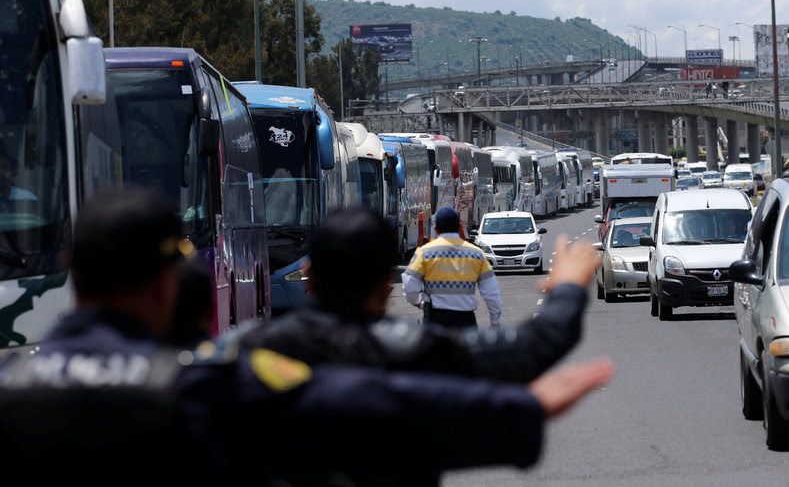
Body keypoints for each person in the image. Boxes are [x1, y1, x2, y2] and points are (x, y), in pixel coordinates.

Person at [0, 188, 615, 482]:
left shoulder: (13, 381)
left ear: (75, 282)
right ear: (165, 287)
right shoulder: (210, 382)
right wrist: (519, 412)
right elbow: (366, 404)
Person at [239, 204, 600, 384]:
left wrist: (421, 301)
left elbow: (411, 285)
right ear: (383, 288)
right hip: (462, 321)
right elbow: (529, 339)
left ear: (308, 276)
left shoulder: (243, 356)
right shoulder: (408, 360)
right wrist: (566, 287)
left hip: (435, 316)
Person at [402, 207, 502, 329]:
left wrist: (419, 302)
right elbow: (491, 292)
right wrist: (495, 321)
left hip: (435, 320)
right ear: (459, 226)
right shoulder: (477, 254)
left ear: (435, 229)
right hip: (466, 321)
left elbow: (409, 286)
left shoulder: (424, 252)